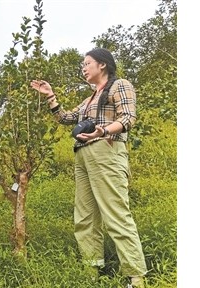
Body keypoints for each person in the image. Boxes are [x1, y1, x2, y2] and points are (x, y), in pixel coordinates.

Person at [30, 48, 147, 288]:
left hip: (106, 151)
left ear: (102, 65)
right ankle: (91, 269)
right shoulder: (89, 99)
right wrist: (50, 96)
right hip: (82, 156)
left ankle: (136, 277)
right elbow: (65, 118)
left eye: (87, 63)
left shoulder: (119, 85)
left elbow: (128, 119)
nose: (83, 68)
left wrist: (103, 130)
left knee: (116, 214)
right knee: (85, 216)